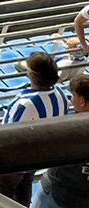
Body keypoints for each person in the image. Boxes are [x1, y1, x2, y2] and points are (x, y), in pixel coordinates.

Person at [0, 51, 72, 202]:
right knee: (24, 189)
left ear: (31, 74)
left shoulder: (24, 104)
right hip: (37, 156)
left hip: (15, 161)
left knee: (2, 197)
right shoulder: (60, 94)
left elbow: (8, 137)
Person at [37, 74, 89, 208]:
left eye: (73, 96)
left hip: (58, 193)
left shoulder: (70, 128)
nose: (71, 100)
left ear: (82, 101)